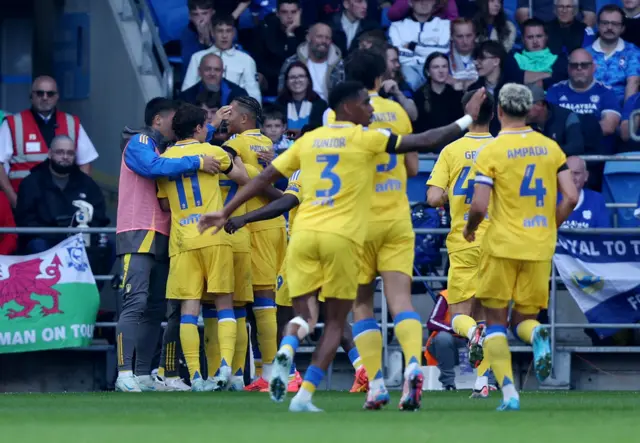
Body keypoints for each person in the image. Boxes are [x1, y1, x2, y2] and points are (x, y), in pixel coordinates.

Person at [196, 81, 486, 412]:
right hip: (341, 238)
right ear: (347, 107)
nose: (371, 108)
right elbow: (425, 140)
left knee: (302, 315)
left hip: (302, 236)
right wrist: (467, 119)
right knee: (337, 322)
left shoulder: (307, 142)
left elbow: (263, 180)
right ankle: (330, 387)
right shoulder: (362, 138)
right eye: (365, 102)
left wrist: (226, 211)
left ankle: (287, 352)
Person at [463, 83, 578, 411]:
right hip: (539, 247)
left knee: (496, 324)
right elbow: (571, 196)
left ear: (499, 111)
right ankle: (536, 333)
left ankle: (510, 393)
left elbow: (479, 206)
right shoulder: (550, 148)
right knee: (524, 320)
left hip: (501, 246)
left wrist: (470, 230)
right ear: (529, 110)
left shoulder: (492, 150)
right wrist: (549, 225)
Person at [328, 50, 422, 409]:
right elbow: (413, 167)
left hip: (358, 222)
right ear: (380, 77)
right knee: (401, 301)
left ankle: (377, 384)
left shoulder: (339, 115)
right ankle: (413, 363)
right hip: (396, 217)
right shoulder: (397, 112)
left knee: (362, 305)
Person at [223, 169, 367, 393]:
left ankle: (288, 375)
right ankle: (361, 369)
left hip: (305, 251)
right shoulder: (345, 169)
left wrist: (245, 218)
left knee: (284, 315)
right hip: (338, 249)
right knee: (333, 317)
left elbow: (287, 202)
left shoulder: (307, 168)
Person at [114, 98, 222, 392]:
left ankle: (148, 373)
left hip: (168, 234)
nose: (177, 125)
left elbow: (193, 140)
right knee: (135, 302)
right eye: (173, 119)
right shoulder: (139, 141)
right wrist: (198, 161)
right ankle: (124, 373)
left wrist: (213, 125)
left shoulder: (167, 148)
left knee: (161, 308)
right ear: (159, 119)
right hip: (137, 232)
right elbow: (153, 167)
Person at [156, 104, 250, 391]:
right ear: (197, 129)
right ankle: (224, 368)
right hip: (214, 236)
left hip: (183, 240)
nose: (208, 128)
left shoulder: (165, 159)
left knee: (188, 309)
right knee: (225, 305)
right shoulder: (214, 152)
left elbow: (163, 204)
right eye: (205, 124)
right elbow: (245, 180)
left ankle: (195, 376)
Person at [426, 90, 495, 397]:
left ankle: (473, 335)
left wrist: (445, 197)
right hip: (497, 243)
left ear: (466, 113)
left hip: (464, 239)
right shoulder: (501, 147)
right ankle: (483, 382)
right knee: (486, 315)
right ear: (494, 114)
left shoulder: (451, 150)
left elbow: (432, 197)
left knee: (459, 319)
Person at [220, 96, 286, 392]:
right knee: (266, 300)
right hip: (274, 226)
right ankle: (263, 370)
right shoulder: (266, 143)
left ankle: (263, 373)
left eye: (230, 112)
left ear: (244, 119)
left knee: (253, 302)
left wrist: (209, 126)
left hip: (255, 226)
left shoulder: (239, 143)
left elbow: (218, 156)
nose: (226, 116)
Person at [0, 76, 98, 208]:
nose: (45, 97)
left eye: (50, 94)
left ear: (57, 97)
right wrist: (14, 200)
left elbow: (86, 162)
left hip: (64, 205)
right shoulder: (12, 124)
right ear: (31, 96)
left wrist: (78, 196)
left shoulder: (71, 123)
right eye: (40, 93)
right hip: (26, 206)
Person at [14, 135, 109, 254]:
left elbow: (99, 217)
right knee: (37, 245)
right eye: (60, 152)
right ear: (50, 154)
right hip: (45, 242)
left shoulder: (87, 184)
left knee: (109, 245)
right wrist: (57, 234)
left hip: (80, 240)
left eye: (70, 153)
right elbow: (25, 221)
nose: (65, 157)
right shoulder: (31, 183)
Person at [182, 14, 261, 102]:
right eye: (220, 31)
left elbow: (254, 95)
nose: (224, 36)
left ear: (234, 33)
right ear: (212, 32)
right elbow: (187, 90)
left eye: (228, 31)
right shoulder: (197, 57)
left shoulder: (247, 60)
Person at [389, 0, 451, 90]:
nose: (424, 2)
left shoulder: (445, 25)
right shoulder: (396, 26)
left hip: (435, 66)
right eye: (418, 0)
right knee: (409, 81)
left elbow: (443, 51)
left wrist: (413, 47)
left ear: (434, 2)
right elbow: (397, 53)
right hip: (408, 66)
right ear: (410, 2)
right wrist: (428, 49)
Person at [585, 5, 640, 105]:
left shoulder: (633, 52)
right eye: (605, 23)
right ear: (598, 25)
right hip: (588, 107)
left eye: (615, 24)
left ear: (622, 28)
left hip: (620, 109)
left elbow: (633, 84)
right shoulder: (585, 54)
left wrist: (626, 117)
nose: (609, 27)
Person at [278, 23, 344, 102]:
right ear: (308, 37)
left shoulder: (338, 65)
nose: (324, 41)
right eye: (319, 36)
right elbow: (282, 92)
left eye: (327, 38)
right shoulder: (292, 62)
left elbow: (340, 98)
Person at [413, 52, 464, 138]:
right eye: (436, 67)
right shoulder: (420, 95)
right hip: (427, 144)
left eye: (444, 66)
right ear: (428, 72)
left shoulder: (456, 93)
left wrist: (459, 93)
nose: (441, 71)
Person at [526, 84, 585, 156]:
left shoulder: (567, 116)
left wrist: (545, 151)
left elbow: (576, 147)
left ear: (539, 104)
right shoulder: (516, 119)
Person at [514, 18, 569, 89]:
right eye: (530, 37)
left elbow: (558, 81)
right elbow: (514, 79)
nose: (535, 41)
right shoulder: (514, 58)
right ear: (523, 40)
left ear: (546, 37)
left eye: (539, 36)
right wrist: (548, 74)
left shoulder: (559, 58)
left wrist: (527, 77)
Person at [560, 156, 611, 229]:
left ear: (586, 176)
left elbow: (604, 235)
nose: (572, 178)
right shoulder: (552, 199)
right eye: (569, 173)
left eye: (576, 173)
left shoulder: (596, 199)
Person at [179, 54, 248, 106]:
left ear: (222, 72)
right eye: (207, 69)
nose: (212, 73)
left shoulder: (240, 96)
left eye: (217, 70)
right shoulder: (186, 97)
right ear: (199, 71)